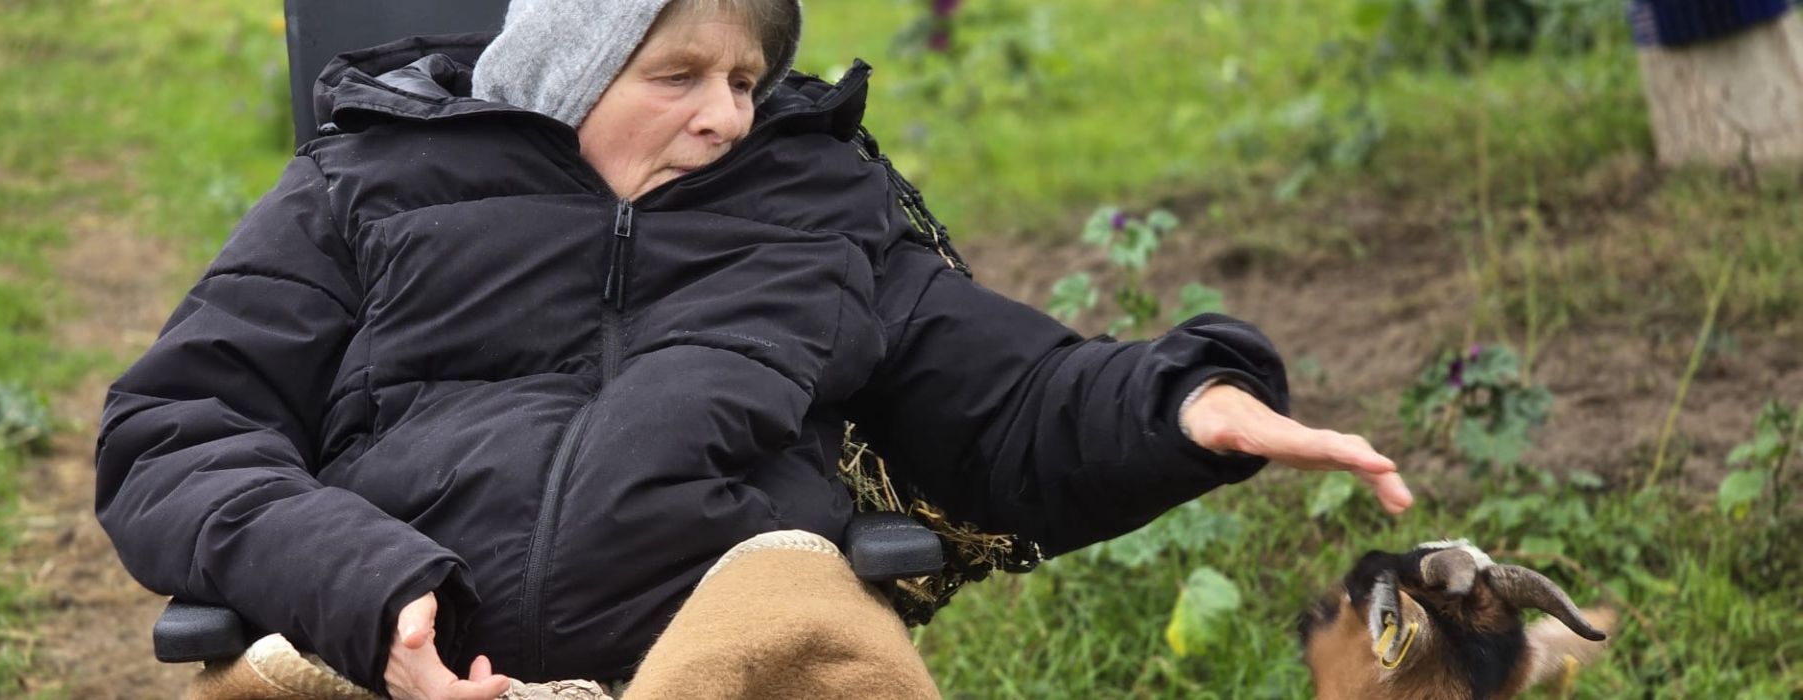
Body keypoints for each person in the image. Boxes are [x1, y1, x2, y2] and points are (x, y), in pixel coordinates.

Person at [94, 1, 1413, 698]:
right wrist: (367, 593)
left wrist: (1185, 409)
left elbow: (1007, 403)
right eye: (679, 75)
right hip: (405, 658)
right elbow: (176, 434)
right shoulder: (366, 193)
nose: (727, 115)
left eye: (746, 77)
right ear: (569, 68)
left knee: (796, 599)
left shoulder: (816, 208)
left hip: (727, 651)